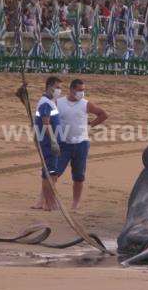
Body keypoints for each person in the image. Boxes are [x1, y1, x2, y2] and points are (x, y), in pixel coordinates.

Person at [56, 79, 107, 210]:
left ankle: (75, 203)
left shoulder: (86, 104)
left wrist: (90, 125)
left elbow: (103, 114)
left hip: (81, 144)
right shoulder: (59, 102)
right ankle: (47, 199)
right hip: (63, 144)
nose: (82, 93)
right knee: (54, 172)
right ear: (72, 89)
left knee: (78, 176)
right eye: (79, 90)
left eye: (83, 90)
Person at [32, 76, 63, 211]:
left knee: (51, 172)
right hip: (48, 143)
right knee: (49, 173)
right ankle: (48, 203)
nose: (59, 90)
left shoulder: (50, 102)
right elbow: (45, 123)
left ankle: (44, 201)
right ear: (49, 87)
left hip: (48, 141)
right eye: (57, 87)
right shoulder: (45, 103)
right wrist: (53, 142)